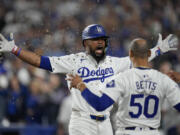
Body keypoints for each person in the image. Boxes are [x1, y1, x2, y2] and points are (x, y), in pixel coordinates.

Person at [0, 24, 178, 135]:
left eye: (103, 39)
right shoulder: (73, 61)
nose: (100, 42)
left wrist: (159, 49)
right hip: (82, 122)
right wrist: (15, 50)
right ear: (85, 43)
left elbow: (140, 58)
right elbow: (40, 61)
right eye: (95, 40)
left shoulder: (114, 63)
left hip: (106, 122)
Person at [67, 38, 180, 135]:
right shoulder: (164, 80)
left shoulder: (121, 79)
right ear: (149, 54)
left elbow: (100, 105)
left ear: (130, 54)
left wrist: (81, 86)